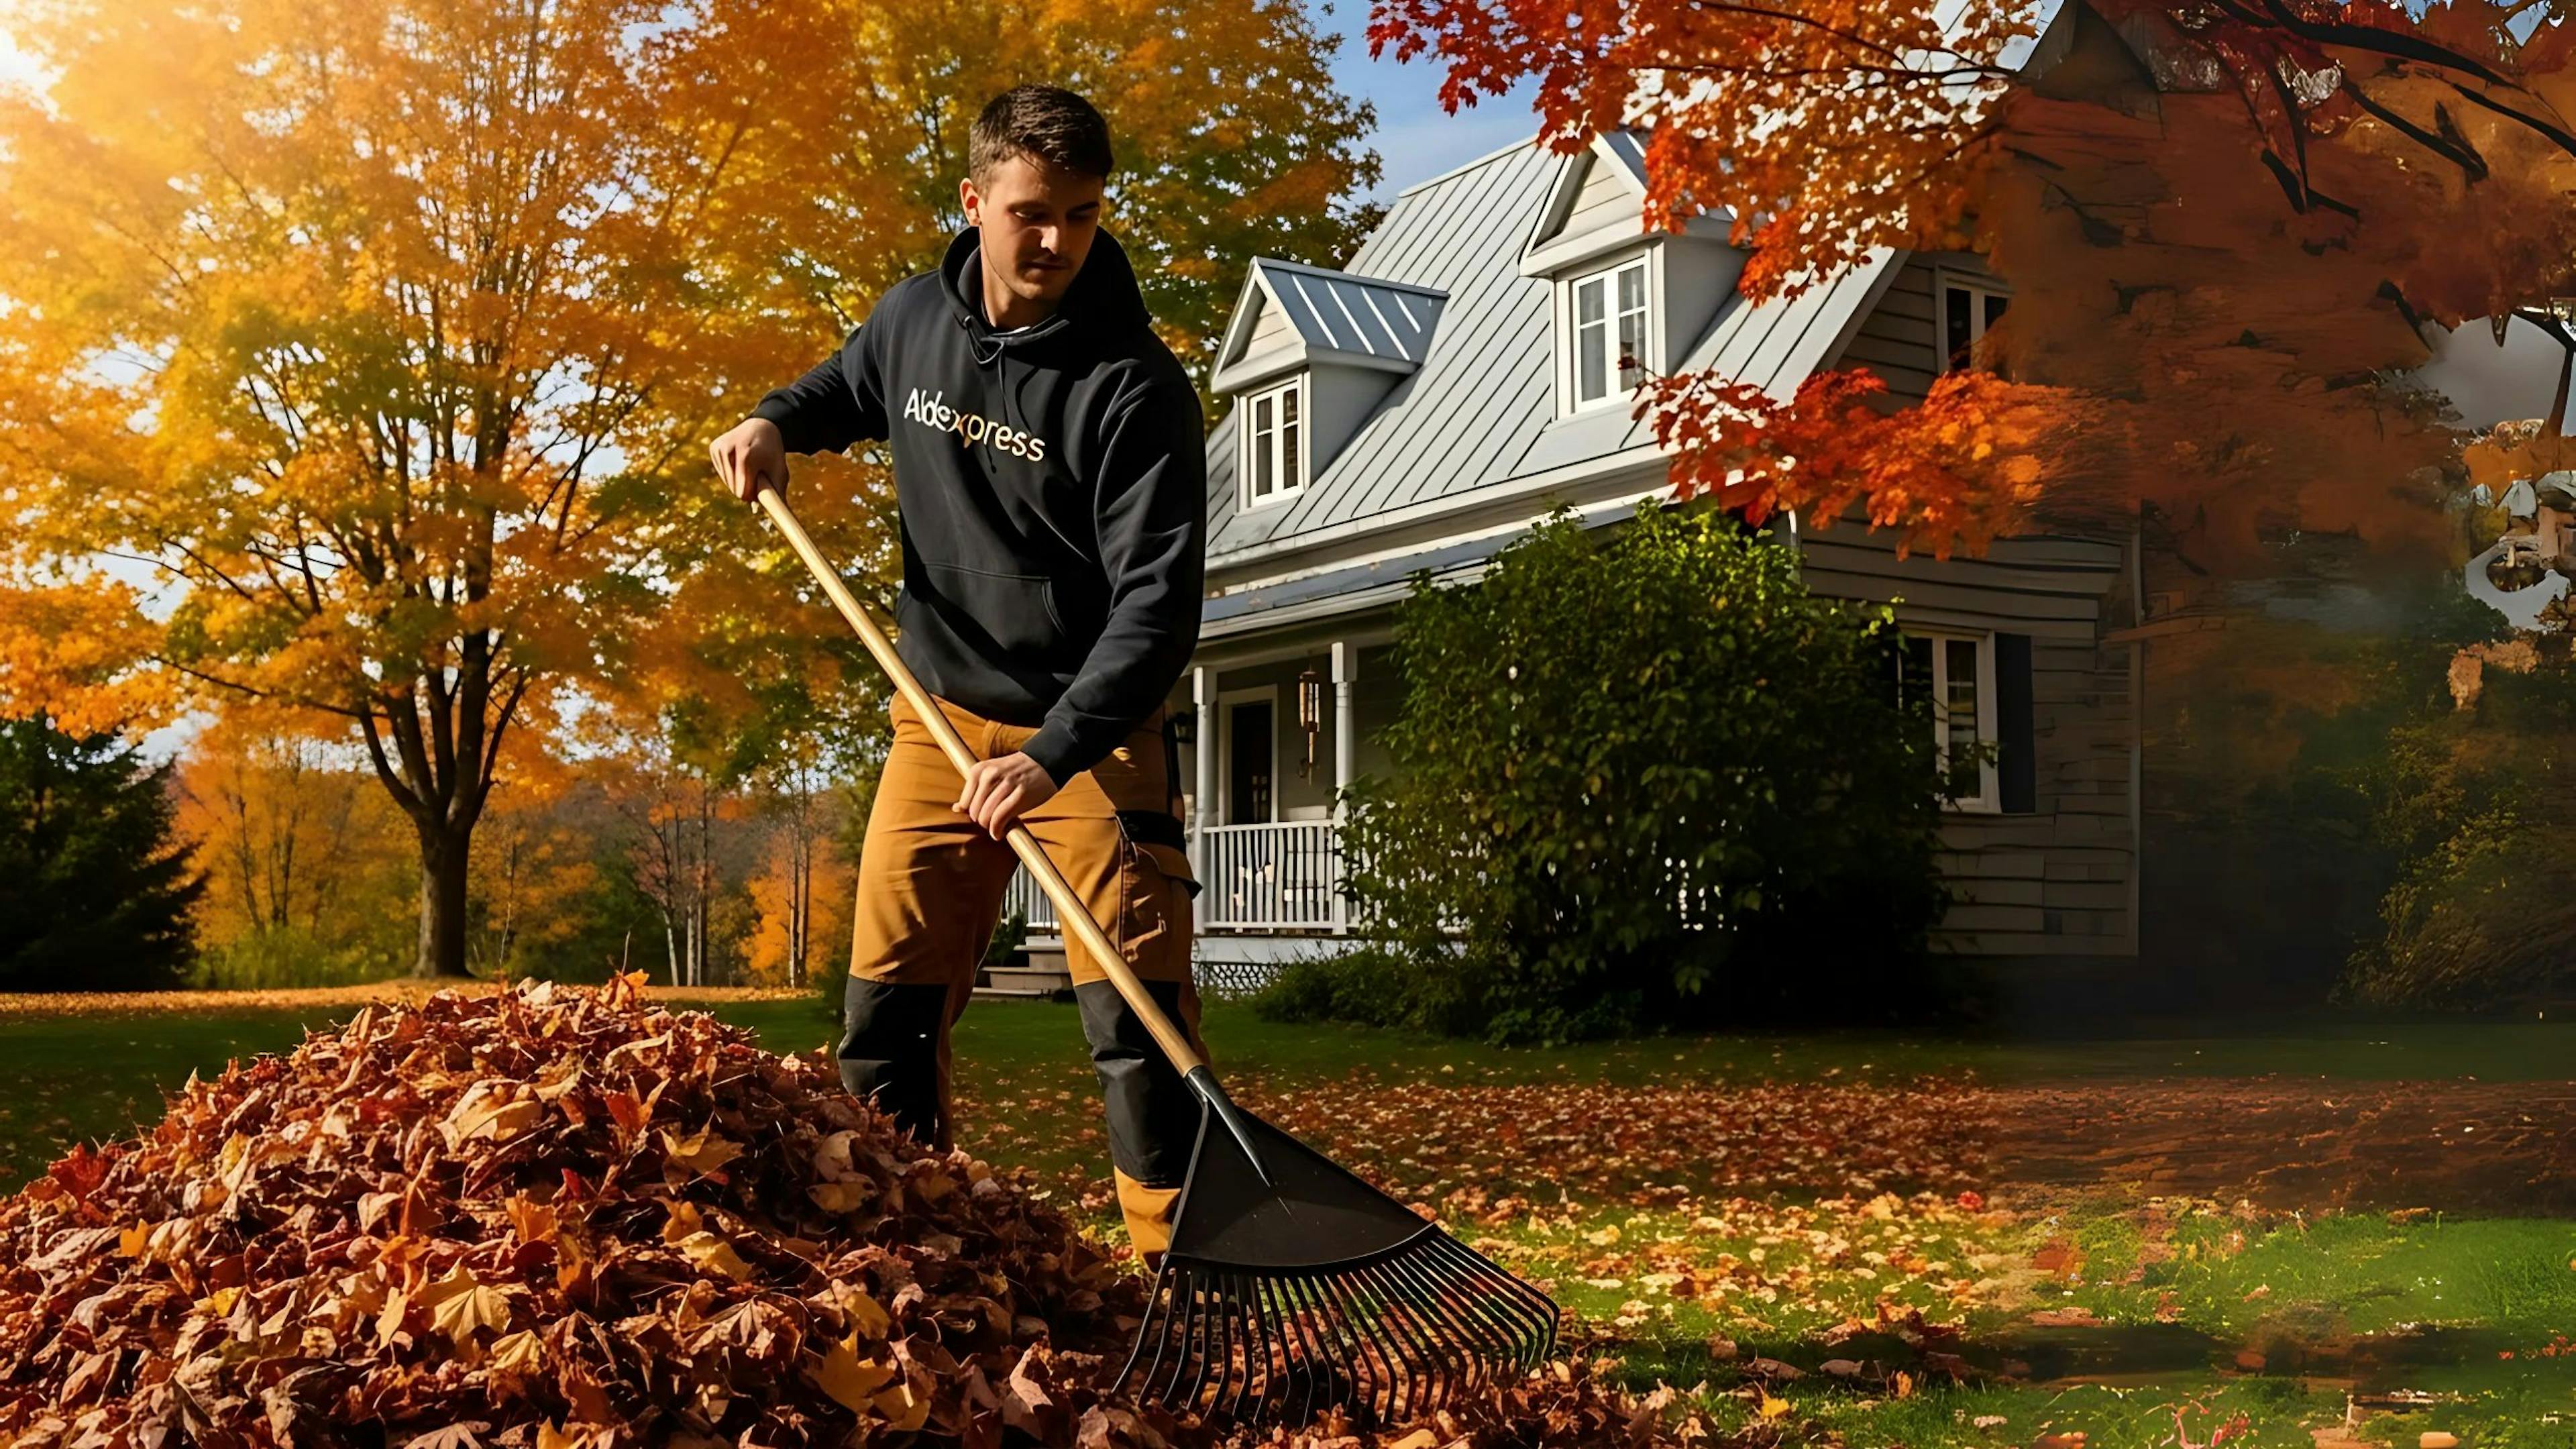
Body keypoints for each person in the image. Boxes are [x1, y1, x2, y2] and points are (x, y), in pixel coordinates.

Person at [706, 85, 1210, 1265]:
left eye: (1081, 215)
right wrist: (775, 421)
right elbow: (845, 387)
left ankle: (1179, 1269)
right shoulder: (912, 321)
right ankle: (907, 1256)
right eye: (1033, 212)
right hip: (934, 720)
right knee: (884, 1011)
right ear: (977, 201)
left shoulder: (1133, 386)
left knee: (1136, 1020)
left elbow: (1158, 609)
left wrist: (1051, 756)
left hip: (1091, 736)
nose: (1057, 240)